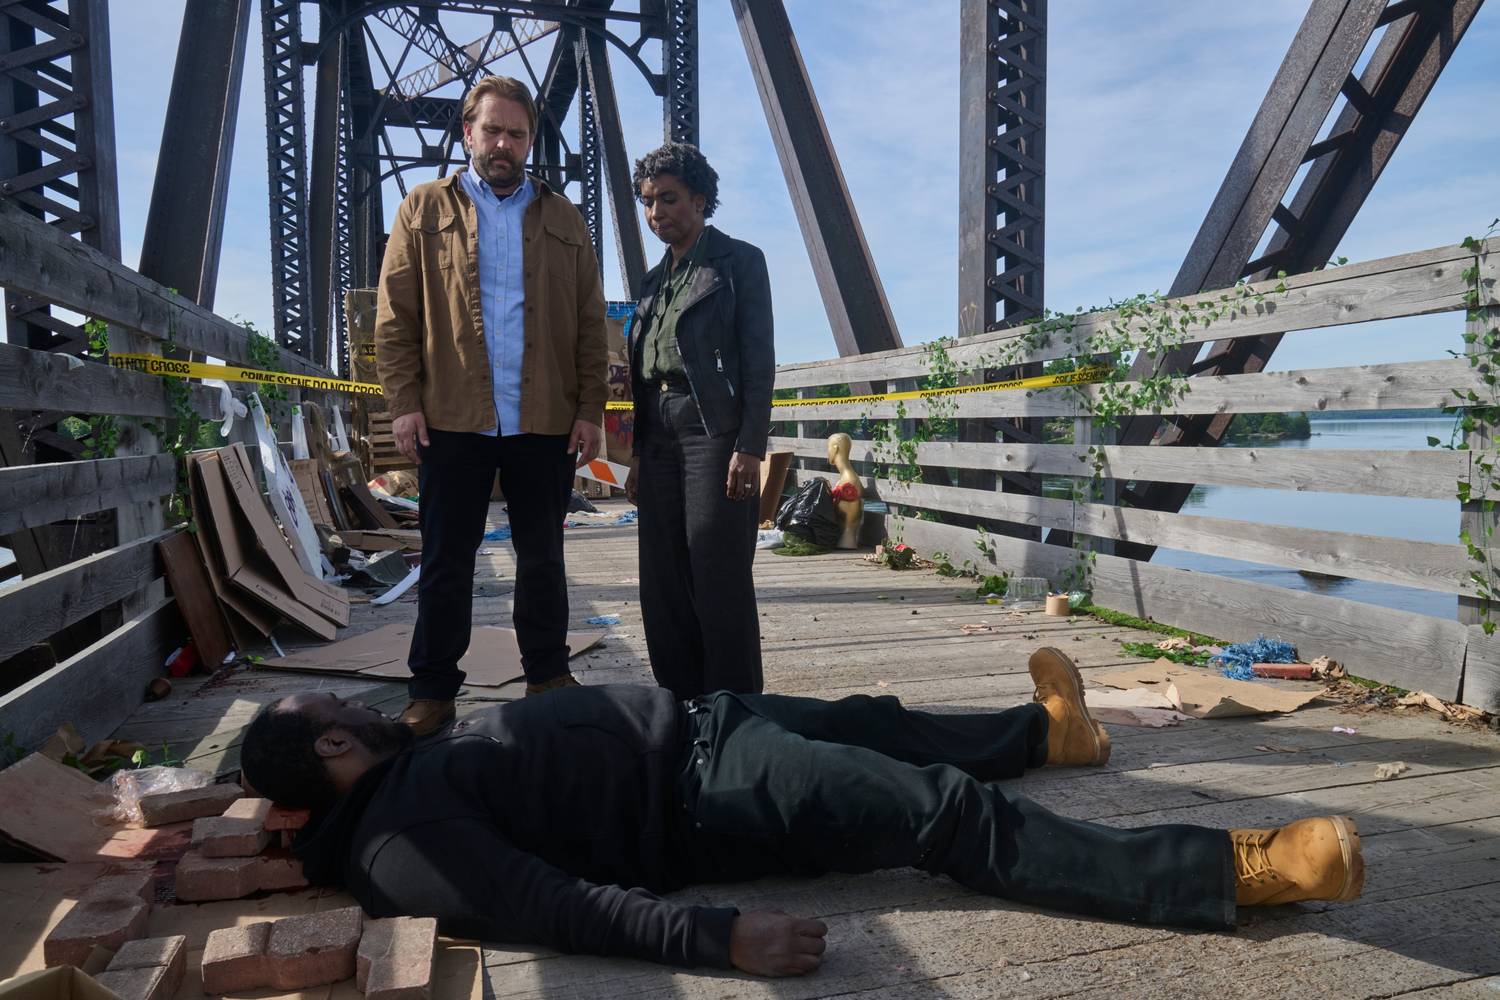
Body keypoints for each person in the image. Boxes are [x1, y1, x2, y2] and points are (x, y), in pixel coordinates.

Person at [240, 648, 1365, 977]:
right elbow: (554, 907)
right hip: (706, 796)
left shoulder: (396, 778)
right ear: (333, 749)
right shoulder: (398, 846)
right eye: (342, 710)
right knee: (937, 812)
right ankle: (1228, 871)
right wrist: (717, 938)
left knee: (876, 717)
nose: (362, 706)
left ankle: (1047, 734)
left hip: (699, 723)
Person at [375, 75, 607, 735]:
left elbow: (591, 322)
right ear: (467, 133)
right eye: (494, 130)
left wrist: (590, 408)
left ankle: (548, 676)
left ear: (530, 141)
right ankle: (432, 692)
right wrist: (403, 402)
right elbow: (395, 316)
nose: (504, 144)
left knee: (543, 558)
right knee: (446, 560)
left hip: (543, 418)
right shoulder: (423, 208)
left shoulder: (564, 218)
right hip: (453, 416)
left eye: (518, 134)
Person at [621, 143, 775, 699]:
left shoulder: (738, 263)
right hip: (658, 433)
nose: (655, 212)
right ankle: (682, 702)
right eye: (647, 202)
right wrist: (637, 455)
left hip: (712, 428)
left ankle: (735, 707)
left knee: (717, 570)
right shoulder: (651, 281)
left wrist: (750, 446)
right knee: (661, 578)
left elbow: (758, 360)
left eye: (668, 199)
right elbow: (641, 376)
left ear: (700, 200)